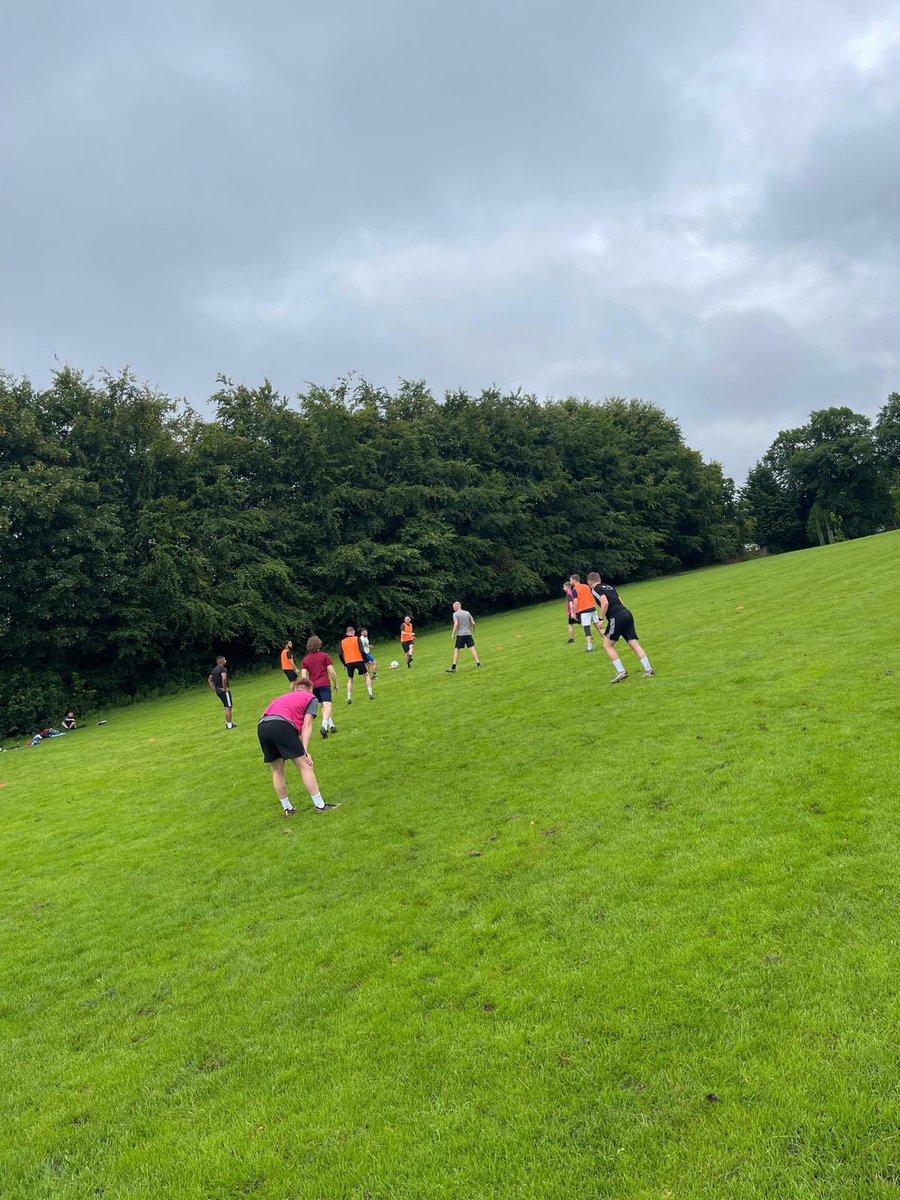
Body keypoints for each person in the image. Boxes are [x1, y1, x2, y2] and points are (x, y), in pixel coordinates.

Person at [257, 682, 339, 816]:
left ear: (295, 689)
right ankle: (320, 806)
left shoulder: (283, 697)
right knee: (305, 766)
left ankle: (287, 809)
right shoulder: (311, 698)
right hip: (281, 725)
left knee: (277, 770)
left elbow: (264, 715)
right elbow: (306, 725)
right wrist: (304, 751)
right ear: (310, 689)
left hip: (262, 726)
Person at [587, 571, 655, 683]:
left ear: (589, 583)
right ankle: (649, 670)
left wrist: (600, 619)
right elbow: (620, 601)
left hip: (616, 616)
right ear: (599, 578)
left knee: (607, 645)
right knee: (634, 643)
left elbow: (605, 603)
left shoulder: (595, 589)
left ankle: (621, 672)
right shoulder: (609, 587)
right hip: (626, 613)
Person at [300, 635, 339, 738]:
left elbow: (303, 677)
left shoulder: (305, 660)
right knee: (327, 705)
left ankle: (332, 726)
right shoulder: (324, 656)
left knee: (323, 706)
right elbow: (332, 671)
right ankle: (324, 726)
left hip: (312, 687)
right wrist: (336, 683)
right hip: (324, 684)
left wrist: (306, 690)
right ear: (319, 645)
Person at [339, 627, 374, 703]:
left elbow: (340, 655)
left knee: (350, 679)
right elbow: (362, 651)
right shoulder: (357, 639)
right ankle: (370, 693)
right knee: (366, 675)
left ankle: (349, 698)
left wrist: (344, 663)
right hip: (358, 660)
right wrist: (366, 661)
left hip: (349, 662)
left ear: (347, 633)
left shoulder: (343, 641)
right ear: (354, 632)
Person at [568, 574, 602, 651]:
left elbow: (576, 603)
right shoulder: (586, 586)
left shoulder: (574, 589)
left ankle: (590, 647)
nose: (570, 582)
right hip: (592, 608)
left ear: (574, 580)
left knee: (586, 628)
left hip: (584, 610)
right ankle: (607, 640)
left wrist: (574, 613)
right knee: (598, 625)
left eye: (570, 580)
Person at [445, 601, 481, 672]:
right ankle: (478, 664)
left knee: (456, 650)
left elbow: (456, 624)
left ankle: (453, 668)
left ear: (456, 606)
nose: (453, 609)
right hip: (468, 634)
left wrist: (453, 633)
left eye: (453, 607)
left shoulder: (455, 614)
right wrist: (474, 628)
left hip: (461, 635)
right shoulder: (467, 613)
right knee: (472, 649)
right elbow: (473, 622)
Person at [208, 656, 234, 728]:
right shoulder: (223, 669)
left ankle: (228, 723)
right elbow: (224, 678)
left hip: (218, 690)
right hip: (223, 691)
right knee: (228, 707)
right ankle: (229, 725)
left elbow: (209, 679)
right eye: (225, 659)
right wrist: (225, 688)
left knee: (228, 706)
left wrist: (214, 688)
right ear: (222, 661)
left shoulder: (214, 670)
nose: (226, 660)